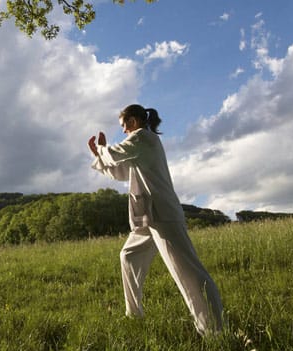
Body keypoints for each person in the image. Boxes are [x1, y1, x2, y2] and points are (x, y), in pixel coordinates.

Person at [88, 104, 223, 336]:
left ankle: (215, 332)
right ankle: (134, 316)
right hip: (147, 217)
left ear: (133, 122)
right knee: (128, 257)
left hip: (163, 216)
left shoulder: (144, 138)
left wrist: (102, 149)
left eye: (123, 126)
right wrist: (97, 155)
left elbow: (113, 154)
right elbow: (120, 171)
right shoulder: (138, 146)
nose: (123, 131)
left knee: (188, 274)